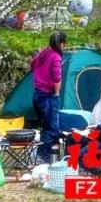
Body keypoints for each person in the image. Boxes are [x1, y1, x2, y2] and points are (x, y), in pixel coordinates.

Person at [30, 30, 66, 163]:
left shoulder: (43, 53)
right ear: (61, 44)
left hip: (37, 94)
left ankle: (42, 155)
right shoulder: (55, 56)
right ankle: (43, 157)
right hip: (48, 96)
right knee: (52, 128)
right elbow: (57, 77)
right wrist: (56, 94)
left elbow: (32, 65)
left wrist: (40, 76)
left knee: (45, 126)